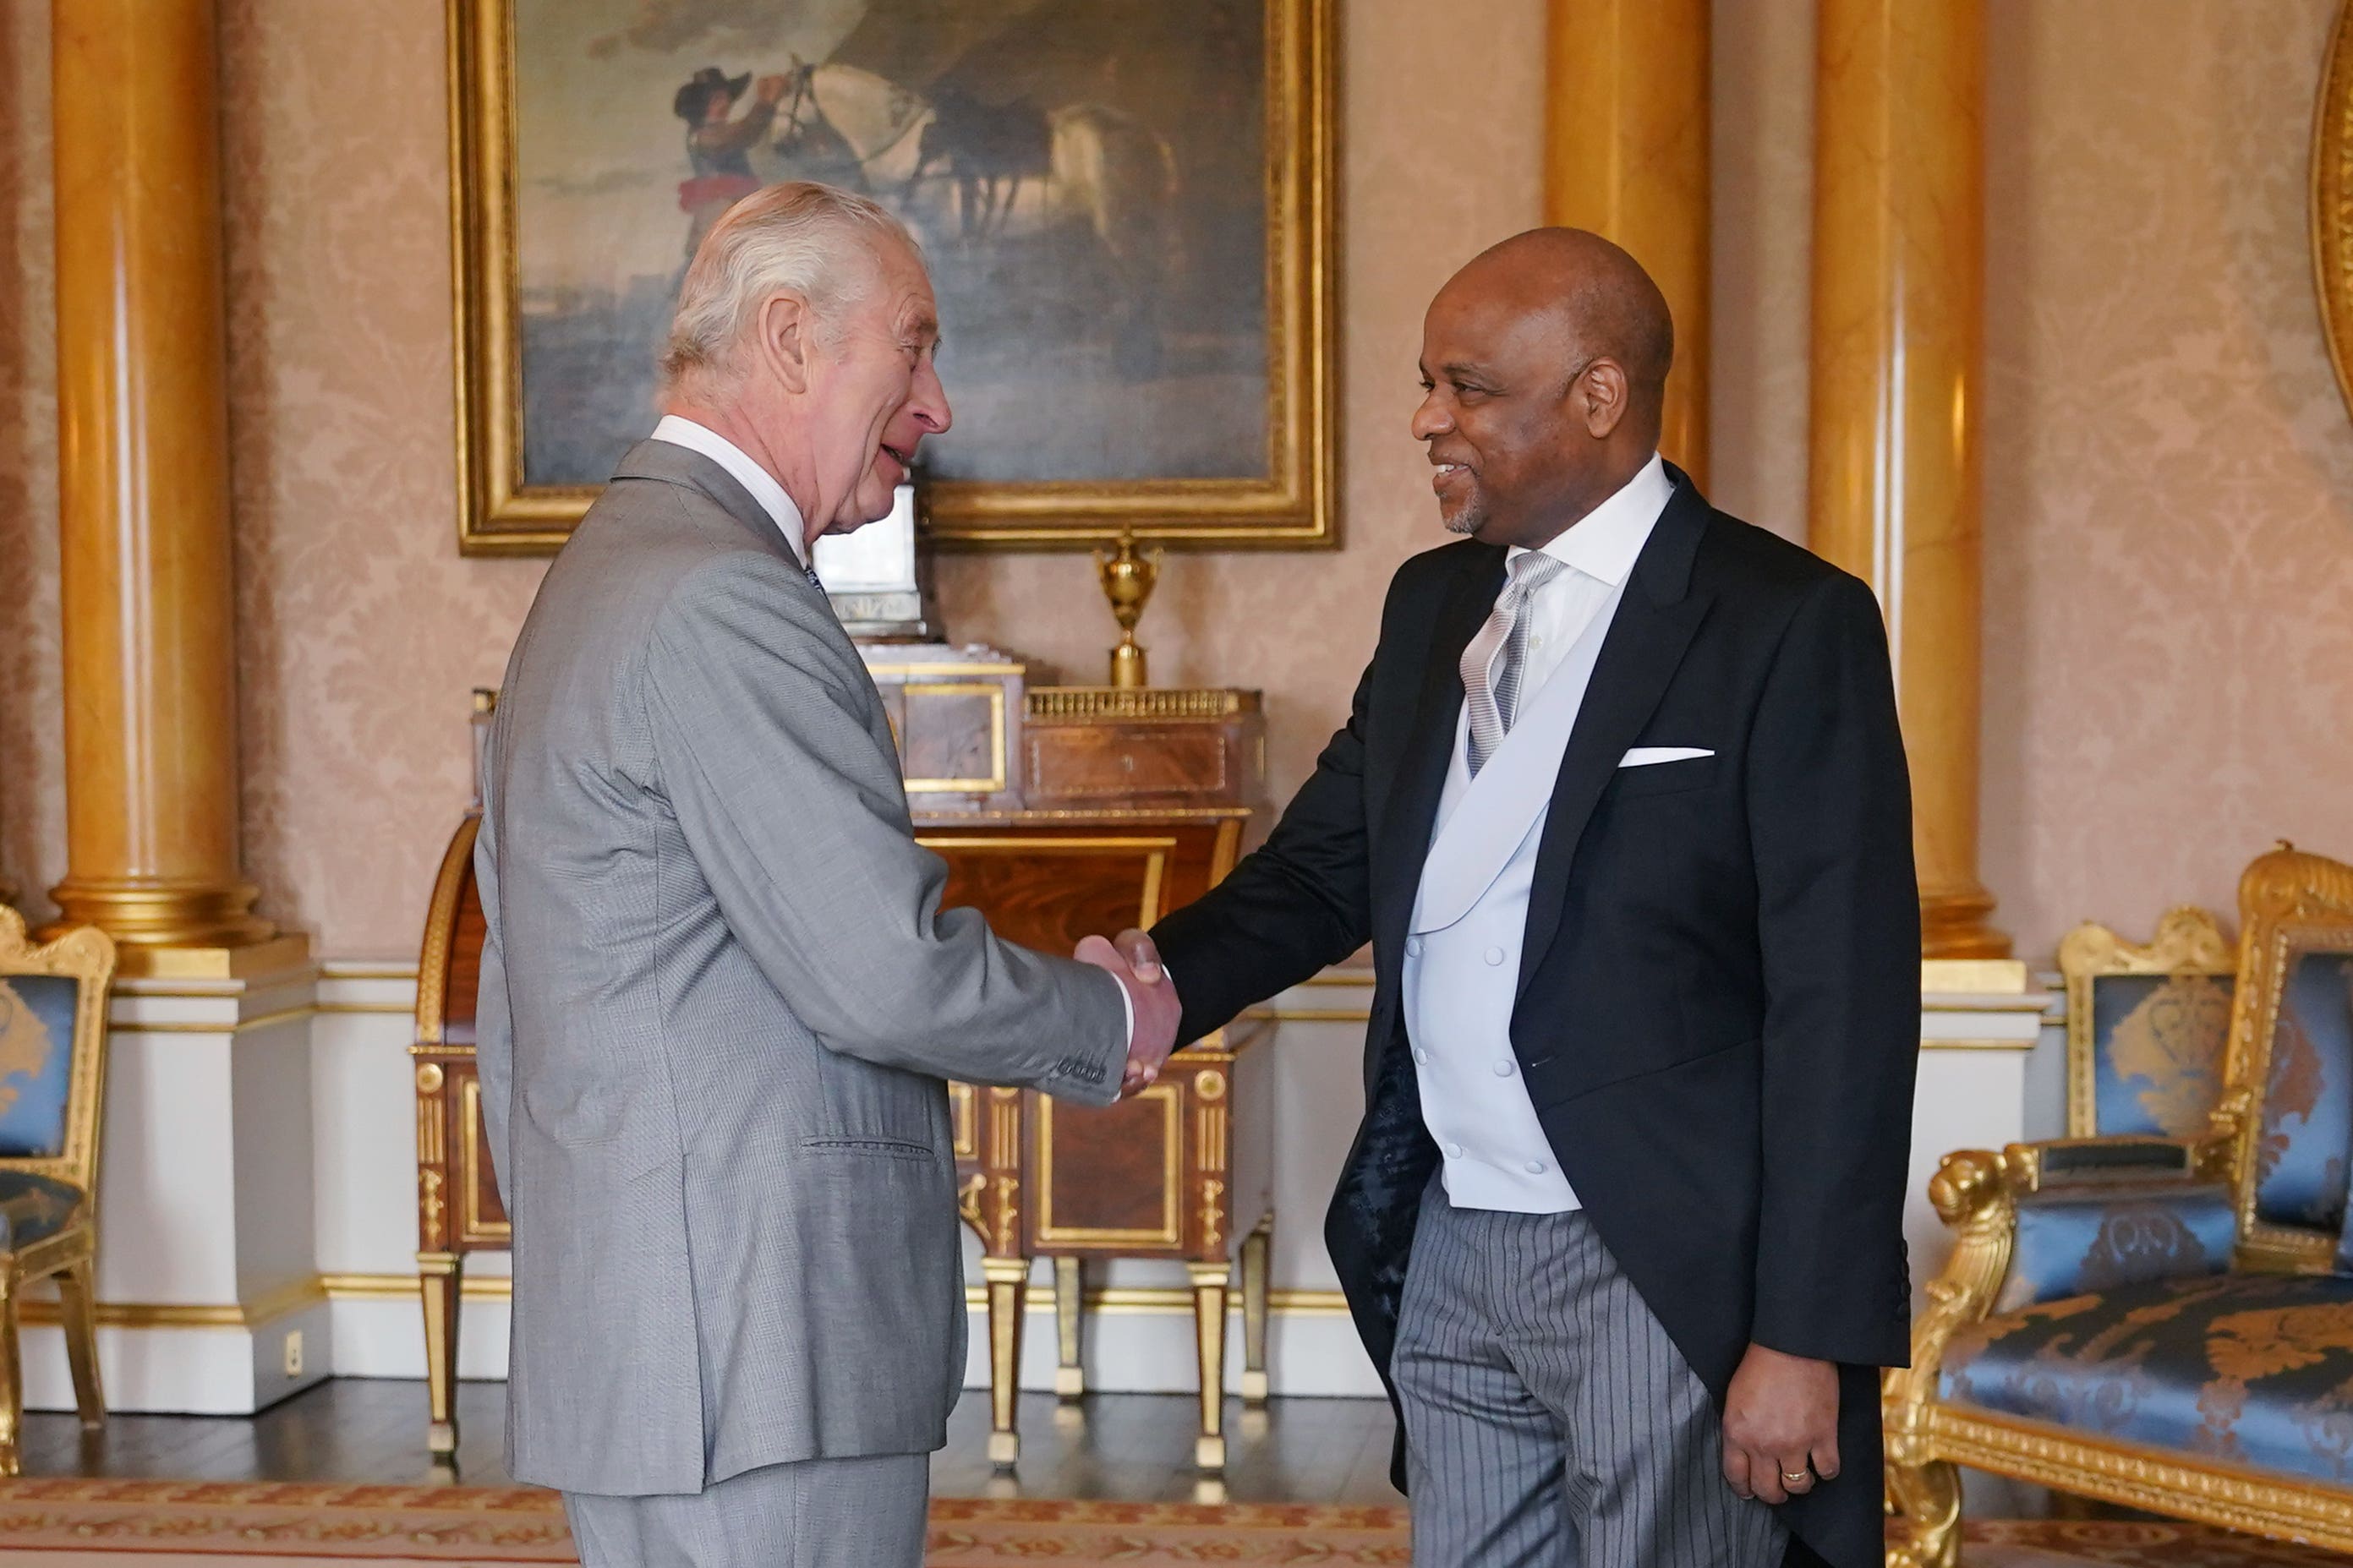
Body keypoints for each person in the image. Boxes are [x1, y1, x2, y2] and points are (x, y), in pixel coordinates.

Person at [1114, 229, 1919, 1568]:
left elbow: (1848, 1002)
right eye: (1429, 382)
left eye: (1469, 387)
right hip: (1448, 1237)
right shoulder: (1431, 604)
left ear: (1597, 397)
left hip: (1662, 1267)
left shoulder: (1785, 620)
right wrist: (1148, 984)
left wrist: (1804, 1331)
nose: (1429, 419)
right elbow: (1323, 871)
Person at [473, 182, 1180, 1568]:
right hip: (758, 1343)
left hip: (663, 1330)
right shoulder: (718, 594)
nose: (939, 401)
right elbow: (881, 973)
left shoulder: (612, 566)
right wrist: (1112, 1019)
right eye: (912, 347)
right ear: (792, 339)